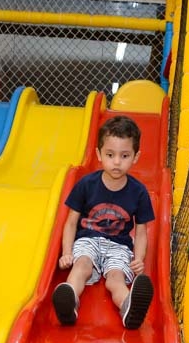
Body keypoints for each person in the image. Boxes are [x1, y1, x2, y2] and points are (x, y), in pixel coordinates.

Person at [52, 115, 155, 329]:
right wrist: (66, 252)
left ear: (136, 157)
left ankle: (129, 308)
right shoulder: (86, 185)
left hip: (119, 246)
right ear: (99, 154)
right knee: (82, 266)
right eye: (110, 154)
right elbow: (71, 222)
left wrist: (139, 259)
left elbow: (141, 231)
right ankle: (69, 303)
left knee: (116, 278)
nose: (116, 162)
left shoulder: (139, 192)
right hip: (88, 240)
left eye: (124, 155)